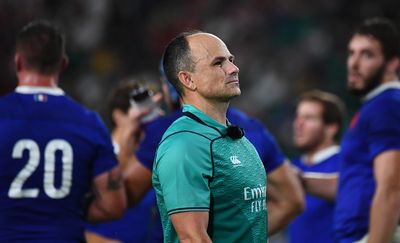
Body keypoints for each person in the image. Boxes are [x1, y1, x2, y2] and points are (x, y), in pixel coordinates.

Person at [0, 20, 133, 242]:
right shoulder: (89, 122)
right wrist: (67, 210)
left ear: (17, 62)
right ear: (62, 64)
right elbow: (113, 206)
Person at [304, 17, 400, 243]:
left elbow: (391, 188)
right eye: (352, 53)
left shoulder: (387, 106)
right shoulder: (382, 105)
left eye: (367, 54)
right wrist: (300, 180)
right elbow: (355, 185)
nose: (354, 63)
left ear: (392, 63)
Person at [151, 30, 266, 242]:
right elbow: (192, 238)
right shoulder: (184, 144)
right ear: (187, 79)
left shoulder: (234, 136)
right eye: (218, 63)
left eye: (231, 60)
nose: (233, 68)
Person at [85, 80, 163, 243]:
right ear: (118, 116)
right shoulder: (94, 154)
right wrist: (128, 128)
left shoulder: (153, 158)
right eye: (142, 112)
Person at [287, 90, 346, 243]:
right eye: (298, 117)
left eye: (308, 118)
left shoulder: (347, 162)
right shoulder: (292, 165)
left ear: (331, 128)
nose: (298, 124)